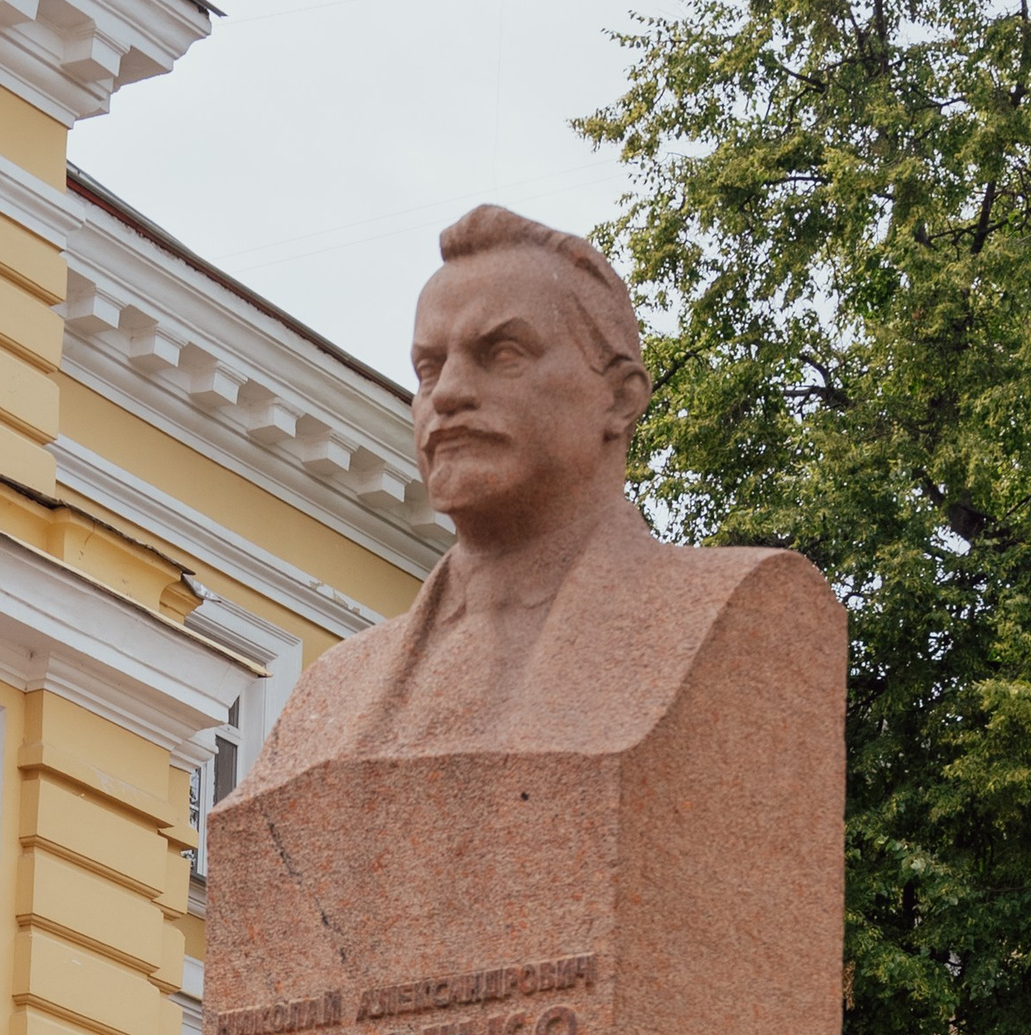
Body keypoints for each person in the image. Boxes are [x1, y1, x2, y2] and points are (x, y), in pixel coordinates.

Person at [251, 202, 791, 778]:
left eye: (503, 355)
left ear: (620, 399)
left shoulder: (731, 616)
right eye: (428, 369)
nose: (448, 394)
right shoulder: (326, 700)